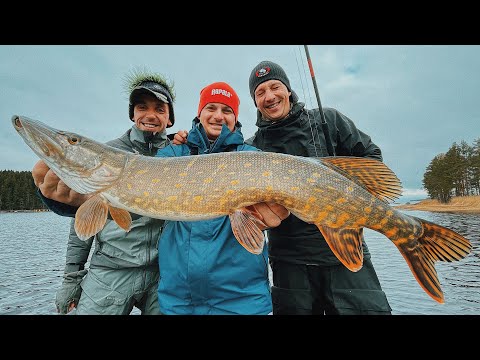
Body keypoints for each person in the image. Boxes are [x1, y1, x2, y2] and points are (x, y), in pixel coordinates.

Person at [246, 60, 392, 315]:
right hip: (291, 267)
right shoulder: (252, 149)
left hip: (345, 257)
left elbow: (371, 157)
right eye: (260, 92)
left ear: (288, 90)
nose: (269, 96)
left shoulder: (329, 120)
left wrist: (341, 193)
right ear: (255, 102)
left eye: (275, 87)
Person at [32, 70, 177, 315]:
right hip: (110, 271)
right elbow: (82, 222)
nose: (150, 115)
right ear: (132, 113)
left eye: (160, 109)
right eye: (142, 107)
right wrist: (72, 277)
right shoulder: (105, 153)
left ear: (169, 118)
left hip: (162, 274)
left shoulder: (178, 155)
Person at [155, 81, 289, 315]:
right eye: (211, 108)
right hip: (180, 300)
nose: (218, 116)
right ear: (200, 114)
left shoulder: (251, 157)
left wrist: (264, 219)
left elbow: (268, 216)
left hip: (241, 301)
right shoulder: (173, 154)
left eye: (226, 111)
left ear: (235, 118)